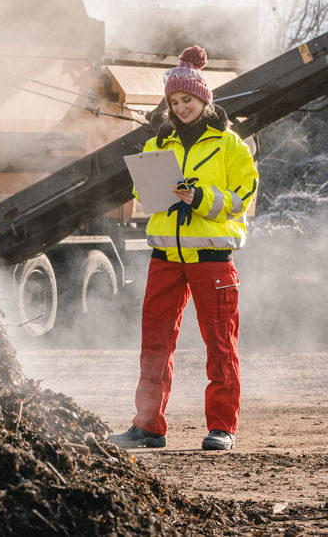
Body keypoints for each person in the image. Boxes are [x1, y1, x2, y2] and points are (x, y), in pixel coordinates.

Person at [109, 45, 259, 452]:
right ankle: (149, 427)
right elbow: (143, 189)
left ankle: (222, 427)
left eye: (187, 99)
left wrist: (200, 197)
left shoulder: (230, 145)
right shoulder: (162, 141)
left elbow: (243, 194)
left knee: (220, 343)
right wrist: (153, 185)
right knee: (154, 344)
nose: (180, 107)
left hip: (212, 259)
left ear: (203, 99)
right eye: (174, 101)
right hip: (165, 257)